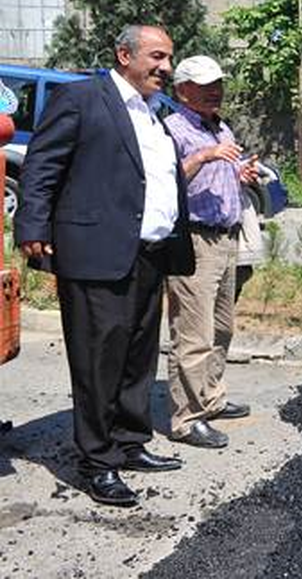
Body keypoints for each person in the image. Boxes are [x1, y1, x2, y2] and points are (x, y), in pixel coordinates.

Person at [14, 25, 195, 507]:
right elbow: (42, 164)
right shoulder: (82, 99)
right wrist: (33, 226)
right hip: (95, 252)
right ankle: (97, 461)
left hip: (149, 254)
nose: (166, 67)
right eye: (157, 56)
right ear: (124, 55)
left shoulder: (155, 112)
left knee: (138, 356)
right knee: (98, 362)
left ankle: (130, 443)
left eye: (169, 58)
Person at [164, 56, 258, 449]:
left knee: (222, 327)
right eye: (204, 85)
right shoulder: (173, 129)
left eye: (217, 83)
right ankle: (187, 417)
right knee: (193, 332)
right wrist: (202, 157)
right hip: (195, 239)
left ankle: (212, 397)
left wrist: (240, 174)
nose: (214, 91)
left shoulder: (220, 126)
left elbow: (221, 175)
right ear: (182, 89)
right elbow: (166, 180)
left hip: (226, 236)